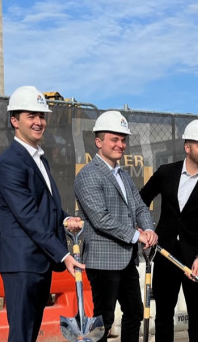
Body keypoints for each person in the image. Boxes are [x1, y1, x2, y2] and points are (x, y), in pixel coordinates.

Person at [0, 85, 84, 342]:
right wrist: (64, 254)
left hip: (37, 262)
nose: (38, 122)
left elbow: (46, 207)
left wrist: (65, 219)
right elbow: (29, 217)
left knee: (30, 333)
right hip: (22, 263)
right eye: (30, 116)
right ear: (14, 120)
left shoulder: (38, 159)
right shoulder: (11, 162)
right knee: (22, 334)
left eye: (41, 116)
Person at [139, 119, 198, 342]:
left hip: (196, 262)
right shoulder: (166, 173)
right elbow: (141, 201)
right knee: (163, 317)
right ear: (187, 147)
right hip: (165, 255)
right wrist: (147, 230)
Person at [74, 110, 157, 342]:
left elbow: (141, 207)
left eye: (123, 140)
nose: (120, 145)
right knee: (103, 320)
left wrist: (148, 229)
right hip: (103, 260)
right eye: (114, 139)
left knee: (134, 312)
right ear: (98, 142)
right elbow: (101, 218)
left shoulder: (124, 175)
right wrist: (136, 236)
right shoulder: (88, 176)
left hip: (126, 259)